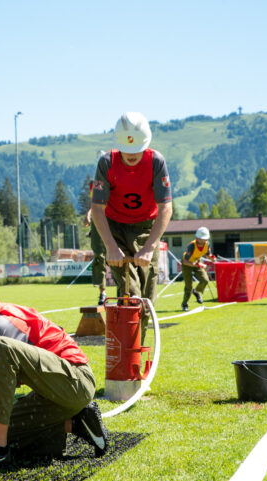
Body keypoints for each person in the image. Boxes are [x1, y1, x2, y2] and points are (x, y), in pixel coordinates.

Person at [0, 247, 108, 473]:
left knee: (0, 350)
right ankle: (78, 422)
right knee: (1, 433)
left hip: (76, 382)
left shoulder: (0, 325)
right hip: (50, 394)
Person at [90, 112, 173, 344]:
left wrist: (150, 246)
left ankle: (137, 354)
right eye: (127, 150)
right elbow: (97, 207)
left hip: (147, 228)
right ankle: (127, 355)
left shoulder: (156, 161)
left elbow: (166, 207)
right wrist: (110, 246)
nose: (132, 155)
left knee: (147, 301)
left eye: (137, 150)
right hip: (114, 228)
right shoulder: (107, 162)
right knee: (132, 294)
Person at [84, 171, 107, 305]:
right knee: (99, 257)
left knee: (122, 256)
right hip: (98, 222)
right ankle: (102, 292)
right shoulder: (95, 185)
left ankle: (124, 290)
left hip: (116, 221)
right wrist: (88, 214)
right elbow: (94, 203)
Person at [181, 227, 216, 311]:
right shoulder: (191, 245)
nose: (203, 241)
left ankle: (196, 291)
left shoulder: (207, 244)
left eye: (205, 239)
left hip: (197, 262)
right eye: (202, 239)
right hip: (187, 264)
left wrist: (212, 258)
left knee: (205, 280)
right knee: (188, 286)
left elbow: (208, 254)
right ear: (197, 238)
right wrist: (198, 265)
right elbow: (186, 261)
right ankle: (184, 304)